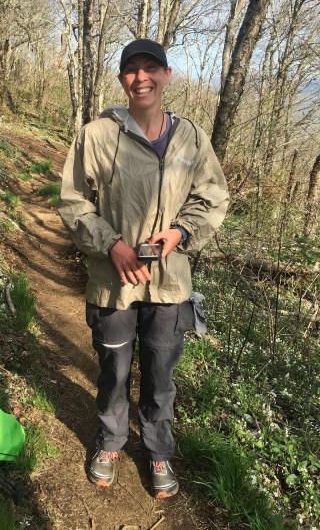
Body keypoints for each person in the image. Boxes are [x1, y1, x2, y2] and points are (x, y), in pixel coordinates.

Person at [58, 38, 229, 498]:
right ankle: (110, 440)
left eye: (151, 67)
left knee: (160, 375)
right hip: (113, 282)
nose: (141, 77)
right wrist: (112, 245)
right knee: (114, 368)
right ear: (122, 80)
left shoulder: (191, 137)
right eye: (131, 69)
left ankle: (158, 450)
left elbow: (212, 196)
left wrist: (181, 232)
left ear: (167, 75)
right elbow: (73, 202)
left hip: (169, 284)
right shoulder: (97, 135)